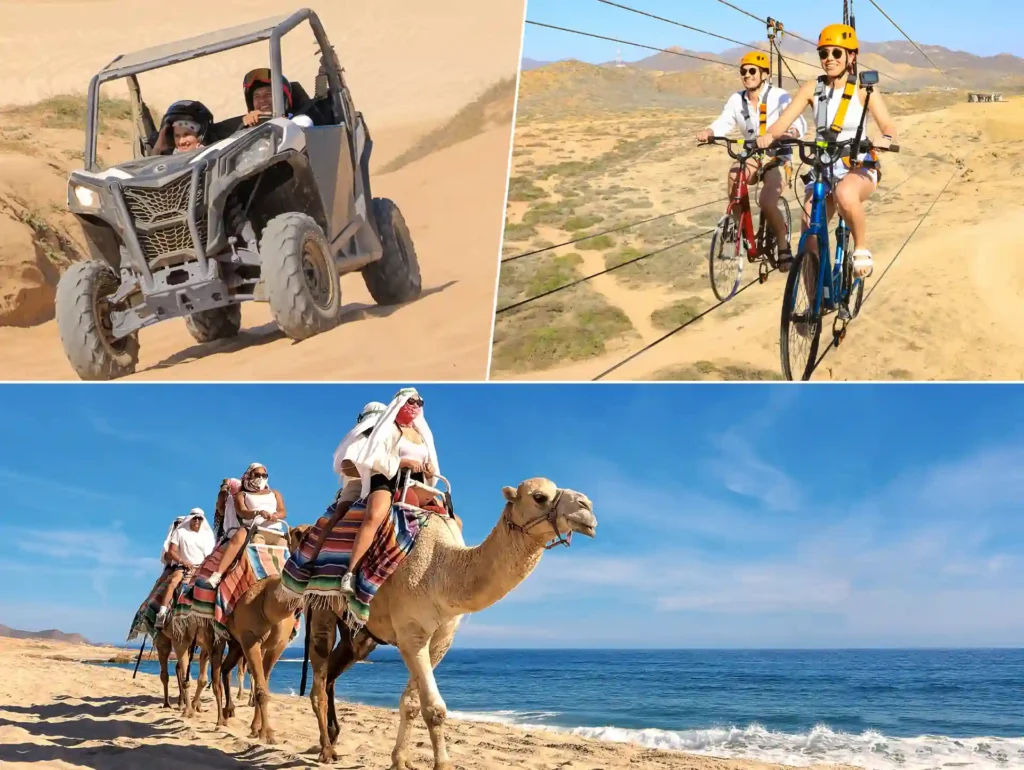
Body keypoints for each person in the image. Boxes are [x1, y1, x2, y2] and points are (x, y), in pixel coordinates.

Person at [757, 23, 898, 279]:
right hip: (824, 168)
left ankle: (861, 247)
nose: (829, 59)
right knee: (810, 229)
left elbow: (888, 125)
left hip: (858, 165)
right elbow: (783, 122)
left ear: (851, 56)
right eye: (823, 54)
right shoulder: (811, 88)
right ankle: (811, 306)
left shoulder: (864, 89)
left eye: (836, 53)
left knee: (845, 193)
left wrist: (884, 138)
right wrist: (767, 136)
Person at [697, 51, 807, 270]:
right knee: (734, 175)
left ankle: (784, 246)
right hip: (751, 155)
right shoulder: (736, 100)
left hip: (777, 155)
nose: (747, 75)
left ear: (764, 74)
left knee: (767, 201)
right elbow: (724, 121)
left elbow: (799, 121)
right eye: (743, 72)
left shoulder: (779, 96)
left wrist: (791, 132)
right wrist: (710, 130)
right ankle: (741, 231)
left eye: (752, 71)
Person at [338, 388, 440, 596]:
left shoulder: (421, 435)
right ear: (399, 402)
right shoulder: (387, 429)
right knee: (374, 515)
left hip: (414, 482)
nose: (415, 406)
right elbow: (375, 456)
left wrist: (428, 468)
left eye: (419, 402)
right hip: (387, 478)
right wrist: (402, 461)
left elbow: (429, 461)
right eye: (411, 401)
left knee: (451, 520)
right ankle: (351, 573)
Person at [202, 463, 287, 590]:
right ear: (249, 475)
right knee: (240, 537)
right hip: (253, 528)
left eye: (264, 475)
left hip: (276, 530)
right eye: (257, 474)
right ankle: (217, 575)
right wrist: (257, 513)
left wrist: (276, 515)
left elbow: (283, 511)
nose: (261, 478)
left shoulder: (274, 493)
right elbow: (242, 512)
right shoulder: (241, 495)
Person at [155, 509, 215, 627]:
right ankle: (162, 613)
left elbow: (211, 554)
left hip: (203, 567)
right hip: (183, 566)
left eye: (200, 518)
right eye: (195, 518)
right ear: (189, 518)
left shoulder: (208, 535)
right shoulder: (180, 532)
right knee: (173, 582)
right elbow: (172, 551)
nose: (197, 520)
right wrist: (184, 562)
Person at [242, 68, 314, 129]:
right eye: (257, 96)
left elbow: (295, 134)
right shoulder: (248, 128)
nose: (262, 100)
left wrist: (267, 117)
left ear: (283, 100)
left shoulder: (300, 120)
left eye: (268, 94)